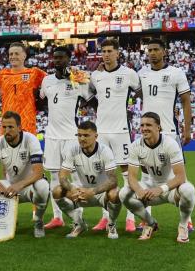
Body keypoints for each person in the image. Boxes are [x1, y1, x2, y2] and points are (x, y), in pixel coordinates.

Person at [89, 38, 141, 232]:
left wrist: (130, 110)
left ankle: (130, 218)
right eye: (103, 51)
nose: (106, 54)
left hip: (121, 131)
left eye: (110, 51)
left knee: (128, 174)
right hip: (101, 131)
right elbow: (89, 96)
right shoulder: (96, 75)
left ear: (118, 53)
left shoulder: (129, 74)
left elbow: (141, 93)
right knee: (103, 176)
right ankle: (105, 217)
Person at [119, 112, 195, 243]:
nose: (144, 128)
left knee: (188, 190)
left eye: (148, 125)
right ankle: (150, 223)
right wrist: (139, 190)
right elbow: (131, 176)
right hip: (150, 188)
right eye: (142, 125)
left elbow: (181, 177)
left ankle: (183, 226)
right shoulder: (135, 146)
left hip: (171, 189)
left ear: (158, 127)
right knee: (123, 193)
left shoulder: (170, 144)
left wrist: (161, 189)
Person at [39, 45, 92, 230]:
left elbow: (92, 99)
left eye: (61, 57)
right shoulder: (47, 80)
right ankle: (57, 217)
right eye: (55, 57)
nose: (57, 60)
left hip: (71, 136)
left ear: (69, 59)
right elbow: (41, 101)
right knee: (54, 176)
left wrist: (78, 76)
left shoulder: (78, 78)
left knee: (75, 176)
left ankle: (78, 217)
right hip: (52, 137)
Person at [0, 111, 50, 238]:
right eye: (4, 127)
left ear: (19, 128)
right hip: (10, 187)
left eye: (10, 127)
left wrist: (19, 185)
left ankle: (38, 221)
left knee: (43, 187)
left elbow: (38, 172)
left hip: (29, 186)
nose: (6, 131)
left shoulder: (31, 140)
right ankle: (7, 219)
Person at [53, 121, 121, 239]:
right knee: (57, 191)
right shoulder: (73, 150)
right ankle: (79, 223)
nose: (82, 139)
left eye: (86, 135)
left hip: (101, 193)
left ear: (96, 136)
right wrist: (72, 189)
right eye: (79, 135)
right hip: (80, 192)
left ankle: (111, 224)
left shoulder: (105, 151)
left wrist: (93, 191)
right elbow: (62, 177)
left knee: (115, 193)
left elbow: (113, 180)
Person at [138, 37, 193, 147]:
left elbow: (186, 102)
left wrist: (187, 130)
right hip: (147, 132)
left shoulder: (176, 73)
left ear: (164, 52)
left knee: (175, 160)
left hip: (169, 131)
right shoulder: (140, 73)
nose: (152, 53)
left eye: (156, 49)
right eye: (150, 50)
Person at [0, 43, 46, 135]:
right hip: (7, 126)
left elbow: (53, 80)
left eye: (16, 54)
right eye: (11, 54)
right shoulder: (2, 74)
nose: (13, 57)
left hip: (27, 125)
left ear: (24, 56)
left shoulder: (34, 73)